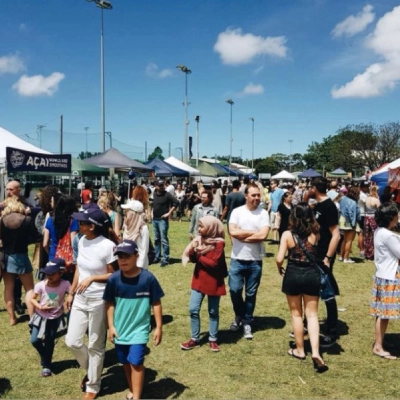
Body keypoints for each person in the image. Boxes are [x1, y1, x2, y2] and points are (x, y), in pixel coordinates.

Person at [65, 208, 118, 400]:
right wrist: (71, 292)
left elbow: (114, 274)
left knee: (96, 344)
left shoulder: (108, 246)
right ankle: (93, 369)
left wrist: (94, 278)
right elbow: (79, 268)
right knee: (72, 341)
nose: (78, 225)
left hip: (99, 300)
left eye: (81, 223)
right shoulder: (81, 240)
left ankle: (93, 386)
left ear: (92, 226)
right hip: (80, 298)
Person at [104, 239, 164, 400]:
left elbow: (156, 302)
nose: (122, 260)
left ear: (137, 256)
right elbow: (109, 304)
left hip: (140, 329)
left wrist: (158, 326)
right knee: (125, 362)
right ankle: (133, 388)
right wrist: (111, 326)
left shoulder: (148, 279)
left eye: (127, 256)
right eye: (119, 256)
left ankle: (136, 397)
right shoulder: (113, 280)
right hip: (120, 329)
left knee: (136, 363)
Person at [276, 203, 328, 373]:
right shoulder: (315, 234)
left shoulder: (287, 234)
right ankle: (315, 351)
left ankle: (299, 349)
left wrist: (279, 268)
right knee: (312, 315)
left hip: (293, 274)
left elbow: (279, 258)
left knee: (296, 314)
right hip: (312, 274)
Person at [228, 183, 270, 340]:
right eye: (254, 195)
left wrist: (242, 234)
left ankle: (246, 321)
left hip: (255, 260)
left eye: (258, 195)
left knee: (251, 293)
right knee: (234, 290)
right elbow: (232, 232)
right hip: (237, 259)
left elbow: (263, 236)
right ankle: (239, 314)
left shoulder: (263, 213)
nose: (257, 198)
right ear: (246, 196)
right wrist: (253, 232)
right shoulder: (237, 212)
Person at [181, 216, 227, 352]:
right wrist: (193, 251)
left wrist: (199, 255)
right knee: (193, 309)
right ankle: (194, 339)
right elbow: (194, 260)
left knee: (213, 312)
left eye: (202, 226)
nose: (199, 229)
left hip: (214, 280)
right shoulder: (199, 240)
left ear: (211, 227)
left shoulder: (219, 243)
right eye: (199, 226)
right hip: (199, 279)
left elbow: (214, 263)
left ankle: (213, 339)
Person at [309, 177, 341, 347]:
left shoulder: (329, 206)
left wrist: (328, 258)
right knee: (313, 288)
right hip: (315, 253)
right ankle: (311, 323)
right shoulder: (319, 205)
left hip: (323, 255)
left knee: (327, 291)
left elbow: (336, 234)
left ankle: (332, 330)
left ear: (315, 187)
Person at [29, 258, 71, 377]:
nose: (49, 276)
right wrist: (40, 307)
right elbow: (32, 298)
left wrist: (70, 297)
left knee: (49, 341)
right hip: (40, 316)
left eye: (52, 273)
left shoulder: (65, 284)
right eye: (47, 273)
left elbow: (72, 293)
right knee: (34, 340)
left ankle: (46, 365)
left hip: (54, 318)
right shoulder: (41, 285)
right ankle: (45, 356)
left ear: (61, 272)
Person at [0, 195, 37, 325]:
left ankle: (12, 318)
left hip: (5, 256)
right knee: (29, 289)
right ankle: (33, 317)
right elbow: (35, 237)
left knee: (8, 288)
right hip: (21, 255)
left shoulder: (2, 220)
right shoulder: (26, 220)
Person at [370, 203, 400, 360]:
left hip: (382, 275)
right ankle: (378, 346)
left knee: (381, 313)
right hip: (389, 276)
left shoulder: (380, 231)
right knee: (384, 314)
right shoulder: (389, 236)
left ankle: (379, 341)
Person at [43, 195, 79, 263]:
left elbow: (45, 244)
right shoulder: (73, 221)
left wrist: (51, 254)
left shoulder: (50, 220)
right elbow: (73, 243)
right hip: (67, 259)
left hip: (53, 256)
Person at [151, 180, 179, 267]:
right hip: (155, 219)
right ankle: (157, 256)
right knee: (156, 239)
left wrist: (169, 213)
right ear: (156, 186)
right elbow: (153, 204)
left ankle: (165, 259)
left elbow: (177, 202)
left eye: (162, 185)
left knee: (163, 240)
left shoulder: (167, 194)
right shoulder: (155, 193)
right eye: (159, 185)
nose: (161, 187)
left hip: (162, 220)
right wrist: (151, 212)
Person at [122, 200, 150, 269]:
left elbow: (144, 251)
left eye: (127, 212)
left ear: (133, 213)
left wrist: (139, 268)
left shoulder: (143, 228)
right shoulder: (126, 226)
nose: (125, 214)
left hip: (139, 265)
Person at [338, 186, 360, 263]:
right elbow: (352, 214)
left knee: (344, 239)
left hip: (342, 220)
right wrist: (353, 224)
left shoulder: (343, 198)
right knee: (349, 241)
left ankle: (341, 256)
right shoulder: (353, 202)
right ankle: (346, 258)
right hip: (349, 222)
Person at [364, 186, 380, 260]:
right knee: (374, 236)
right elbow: (379, 210)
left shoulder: (367, 199)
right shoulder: (376, 200)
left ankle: (367, 252)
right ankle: (373, 253)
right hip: (373, 218)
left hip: (367, 218)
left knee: (367, 236)